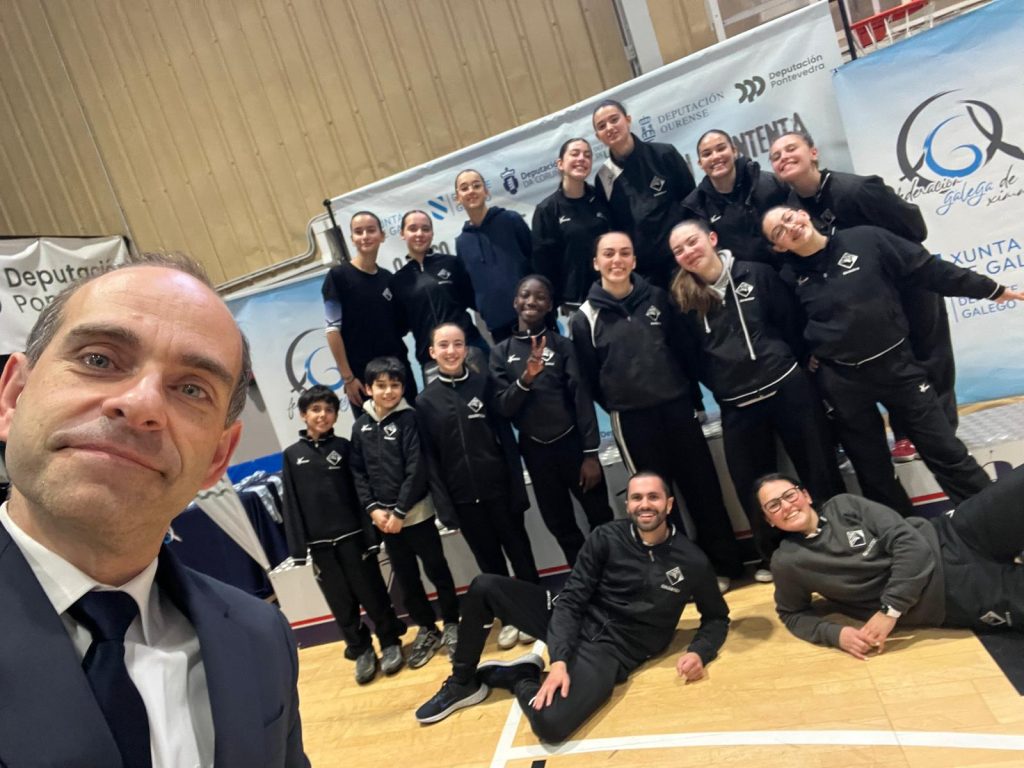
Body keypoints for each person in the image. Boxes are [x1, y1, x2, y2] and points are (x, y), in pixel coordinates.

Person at [0, 254, 308, 767]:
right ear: (13, 396)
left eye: (191, 389)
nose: (142, 404)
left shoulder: (262, 638)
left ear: (217, 458)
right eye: (99, 360)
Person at [413, 471, 730, 743]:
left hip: (611, 652)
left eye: (653, 497)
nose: (644, 504)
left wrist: (699, 652)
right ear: (627, 504)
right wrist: (560, 660)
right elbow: (572, 599)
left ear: (669, 504)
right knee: (484, 586)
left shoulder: (692, 561)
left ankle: (521, 675)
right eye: (637, 497)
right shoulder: (606, 537)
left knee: (551, 725)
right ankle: (463, 682)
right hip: (575, 620)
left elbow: (717, 618)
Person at [761, 206, 1024, 515]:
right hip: (843, 381)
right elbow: (787, 326)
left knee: (946, 452)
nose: (790, 227)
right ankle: (905, 534)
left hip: (897, 367)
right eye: (779, 231)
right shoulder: (789, 278)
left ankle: (999, 522)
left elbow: (930, 270)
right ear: (779, 247)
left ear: (803, 214)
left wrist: (991, 290)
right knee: (873, 472)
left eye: (789, 218)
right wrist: (808, 357)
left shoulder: (866, 239)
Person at [668, 220, 844, 580]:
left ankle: (837, 537)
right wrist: (722, 383)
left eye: (692, 242)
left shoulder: (757, 273)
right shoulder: (683, 299)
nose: (688, 252)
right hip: (737, 403)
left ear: (712, 238)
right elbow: (691, 356)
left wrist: (785, 361)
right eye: (679, 250)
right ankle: (774, 556)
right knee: (751, 484)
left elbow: (789, 321)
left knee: (818, 467)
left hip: (787, 389)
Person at [571, 231, 744, 590]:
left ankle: (725, 564)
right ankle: (683, 576)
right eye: (608, 254)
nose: (617, 260)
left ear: (634, 260)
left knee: (703, 487)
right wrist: (623, 401)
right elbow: (590, 378)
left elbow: (682, 352)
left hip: (677, 408)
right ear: (596, 263)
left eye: (624, 253)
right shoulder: (584, 318)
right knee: (656, 500)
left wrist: (692, 400)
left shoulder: (658, 298)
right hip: (632, 420)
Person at [769, 131, 952, 461]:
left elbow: (914, 228)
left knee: (928, 355)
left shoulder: (857, 189)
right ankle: (906, 435)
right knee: (892, 366)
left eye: (791, 149)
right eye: (775, 156)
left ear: (813, 152)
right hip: (864, 295)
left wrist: (887, 259)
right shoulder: (791, 214)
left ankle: (943, 432)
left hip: (906, 281)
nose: (783, 157)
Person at [756, 468, 1024, 658]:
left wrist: (890, 611)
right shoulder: (787, 562)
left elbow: (911, 544)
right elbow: (792, 613)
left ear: (806, 495)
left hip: (953, 532)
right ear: (769, 520)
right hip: (949, 593)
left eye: (790, 495)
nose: (786, 506)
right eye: (774, 505)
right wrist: (836, 635)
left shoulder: (844, 505)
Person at [416, 322, 541, 648]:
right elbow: (431, 462)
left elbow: (506, 441)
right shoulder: (425, 402)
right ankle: (510, 618)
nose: (451, 351)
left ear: (466, 348)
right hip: (463, 501)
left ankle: (535, 611)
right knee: (490, 563)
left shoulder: (484, 384)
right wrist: (445, 507)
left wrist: (517, 487)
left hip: (500, 491)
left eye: (458, 344)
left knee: (520, 553)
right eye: (444, 345)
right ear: (432, 352)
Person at [280, 384, 406, 685]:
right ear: (303, 414)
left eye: (329, 410)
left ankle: (390, 641)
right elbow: (291, 504)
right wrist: (298, 549)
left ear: (336, 415)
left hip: (353, 539)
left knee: (373, 594)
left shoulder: (345, 448)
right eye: (315, 409)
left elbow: (361, 493)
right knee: (341, 603)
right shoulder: (292, 456)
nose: (322, 415)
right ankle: (361, 649)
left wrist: (370, 537)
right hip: (321, 547)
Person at [489, 274, 613, 567]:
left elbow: (582, 400)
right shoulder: (500, 353)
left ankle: (616, 574)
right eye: (525, 295)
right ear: (515, 302)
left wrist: (591, 455)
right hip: (536, 451)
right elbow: (503, 408)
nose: (531, 301)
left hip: (573, 446)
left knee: (601, 517)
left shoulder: (563, 346)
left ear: (549, 306)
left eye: (540, 297)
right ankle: (585, 580)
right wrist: (526, 378)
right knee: (560, 524)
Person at [350, 356, 460, 668]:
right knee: (408, 580)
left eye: (395, 385)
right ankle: (427, 628)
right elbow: (358, 473)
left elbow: (416, 467)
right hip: (384, 522)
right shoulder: (360, 427)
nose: (388, 391)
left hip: (416, 515)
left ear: (403, 388)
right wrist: (374, 510)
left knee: (437, 569)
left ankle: (452, 623)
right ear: (368, 389)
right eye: (381, 385)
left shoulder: (410, 419)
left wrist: (399, 511)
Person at [592, 99, 696, 289]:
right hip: (645, 273)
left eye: (614, 120)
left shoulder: (664, 154)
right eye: (602, 126)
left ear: (628, 120)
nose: (610, 128)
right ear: (598, 136)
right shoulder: (604, 178)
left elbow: (692, 202)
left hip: (682, 259)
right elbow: (614, 229)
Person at [321, 210, 417, 417]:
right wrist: (348, 378)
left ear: (382, 236)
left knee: (413, 429)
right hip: (363, 381)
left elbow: (399, 327)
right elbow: (332, 331)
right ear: (352, 239)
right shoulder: (338, 277)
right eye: (359, 232)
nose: (365, 236)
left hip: (399, 374)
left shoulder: (388, 278)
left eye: (371, 230)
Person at [389, 210, 487, 381]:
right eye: (413, 228)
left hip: (469, 347)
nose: (419, 234)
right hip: (431, 359)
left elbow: (475, 300)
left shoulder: (452, 263)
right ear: (403, 234)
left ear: (432, 233)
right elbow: (401, 325)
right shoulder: (397, 281)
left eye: (425, 229)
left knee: (492, 394)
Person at [682, 129, 789, 268]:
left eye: (721, 149)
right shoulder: (696, 207)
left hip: (791, 267)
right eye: (707, 154)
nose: (715, 156)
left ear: (734, 151)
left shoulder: (770, 182)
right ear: (700, 163)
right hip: (743, 278)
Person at [530, 138, 612, 312]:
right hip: (576, 302)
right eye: (575, 154)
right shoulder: (547, 210)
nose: (582, 158)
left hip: (612, 290)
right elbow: (543, 264)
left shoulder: (601, 198)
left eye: (587, 155)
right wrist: (555, 301)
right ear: (560, 164)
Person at [454, 169, 531, 342]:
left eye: (476, 185)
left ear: (486, 191)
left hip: (532, 315)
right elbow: (468, 287)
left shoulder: (511, 220)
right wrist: (486, 308)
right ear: (458, 198)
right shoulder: (462, 242)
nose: (471, 191)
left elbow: (535, 260)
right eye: (464, 188)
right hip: (499, 328)